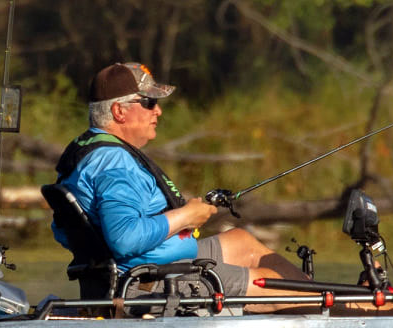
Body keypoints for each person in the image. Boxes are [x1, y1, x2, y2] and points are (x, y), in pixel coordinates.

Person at [53, 62, 308, 298]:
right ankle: (329, 311)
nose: (159, 111)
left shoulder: (87, 152)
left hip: (149, 264)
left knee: (241, 241)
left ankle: (318, 302)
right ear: (119, 111)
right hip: (151, 281)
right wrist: (186, 217)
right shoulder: (115, 163)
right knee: (274, 285)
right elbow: (125, 239)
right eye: (150, 102)